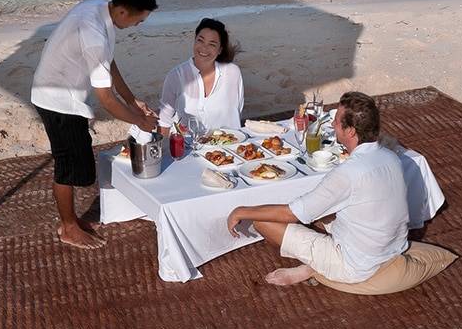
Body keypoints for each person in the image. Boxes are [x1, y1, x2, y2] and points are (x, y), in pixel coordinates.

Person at [226, 90, 410, 286]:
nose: (332, 125)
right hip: (391, 246)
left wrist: (240, 211)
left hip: (356, 265)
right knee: (319, 210)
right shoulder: (391, 157)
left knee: (262, 222)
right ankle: (319, 259)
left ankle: (314, 267)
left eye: (337, 122)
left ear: (350, 132)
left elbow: (291, 215)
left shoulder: (348, 173)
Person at [31, 0, 159, 249]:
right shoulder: (95, 35)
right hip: (57, 101)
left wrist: (132, 100)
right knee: (69, 168)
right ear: (123, 12)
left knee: (80, 169)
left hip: (67, 94)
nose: (138, 25)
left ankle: (70, 220)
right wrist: (141, 121)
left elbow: (108, 63)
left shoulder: (99, 7)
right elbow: (106, 101)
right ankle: (68, 228)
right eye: (139, 20)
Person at [159, 18, 244, 135]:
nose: (204, 47)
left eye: (212, 44)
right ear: (194, 41)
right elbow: (164, 120)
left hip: (227, 144)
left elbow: (237, 110)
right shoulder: (176, 76)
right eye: (200, 40)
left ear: (220, 50)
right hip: (187, 148)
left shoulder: (232, 72)